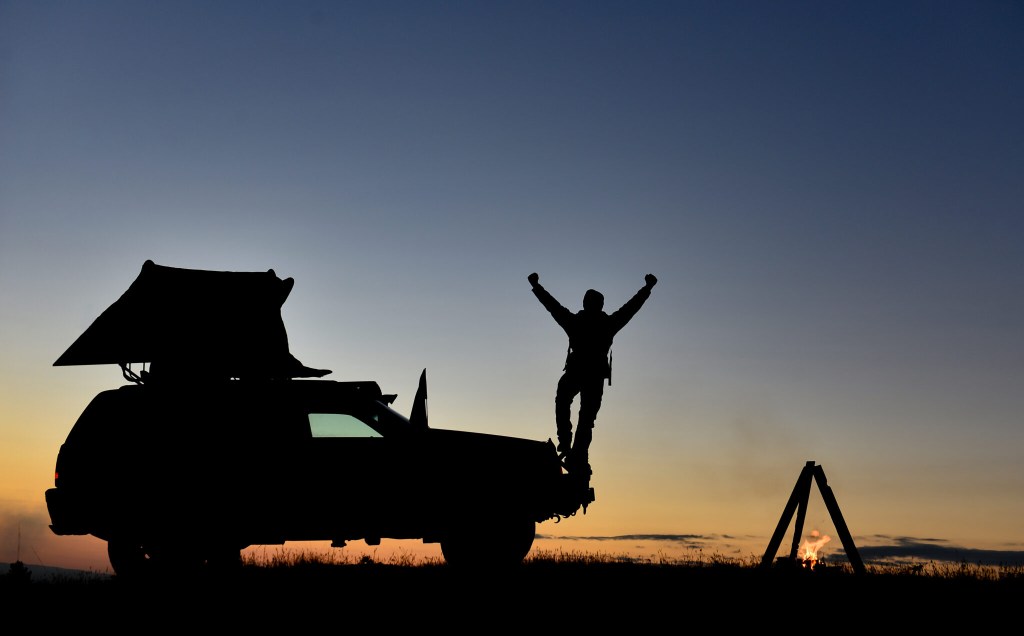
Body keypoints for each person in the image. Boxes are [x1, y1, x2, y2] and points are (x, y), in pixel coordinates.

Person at [528, 272, 657, 475]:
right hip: (590, 375)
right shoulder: (604, 324)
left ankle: (571, 447)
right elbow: (631, 308)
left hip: (583, 374)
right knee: (581, 415)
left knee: (573, 408)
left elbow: (552, 306)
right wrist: (647, 288)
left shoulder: (580, 322)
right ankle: (573, 449)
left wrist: (537, 286)